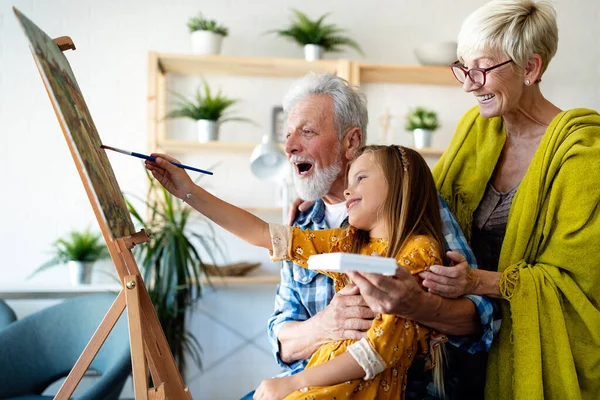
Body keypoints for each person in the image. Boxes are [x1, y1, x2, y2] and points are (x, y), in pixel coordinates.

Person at [348, 1, 600, 399]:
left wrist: (474, 281)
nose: (468, 84)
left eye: (480, 69)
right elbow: (421, 204)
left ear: (531, 69)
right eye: (463, 68)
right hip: (465, 346)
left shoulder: (584, 152)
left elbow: (579, 285)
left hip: (535, 355)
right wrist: (327, 205)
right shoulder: (475, 130)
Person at [145, 145, 449, 399]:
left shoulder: (419, 251)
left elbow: (376, 351)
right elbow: (263, 233)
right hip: (320, 386)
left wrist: (290, 383)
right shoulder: (350, 241)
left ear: (401, 183)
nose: (347, 189)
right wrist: (188, 191)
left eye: (361, 178)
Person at [269, 73, 499, 399]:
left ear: (351, 141)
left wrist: (417, 306)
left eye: (307, 132)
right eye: (289, 135)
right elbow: (280, 338)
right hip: (306, 386)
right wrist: (324, 327)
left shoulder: (413, 208)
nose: (290, 148)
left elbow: (480, 316)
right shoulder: (301, 223)